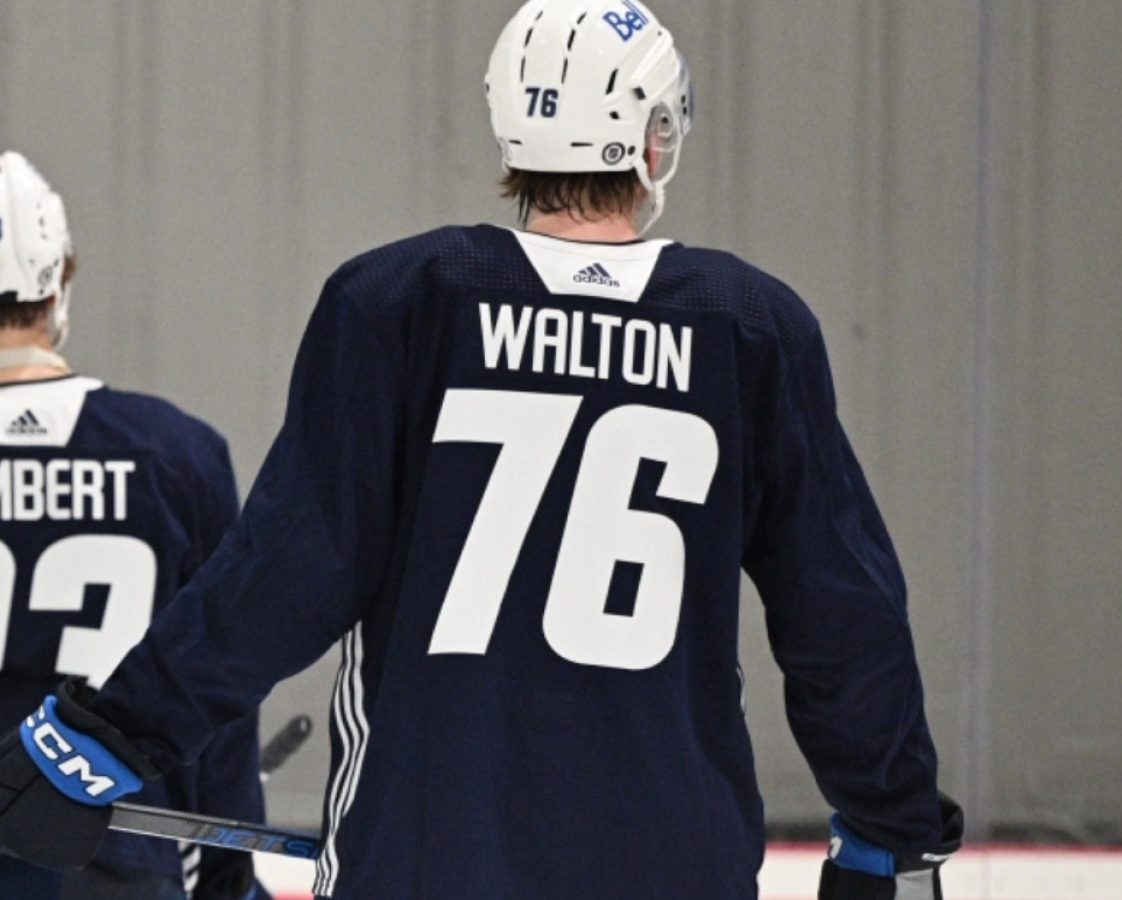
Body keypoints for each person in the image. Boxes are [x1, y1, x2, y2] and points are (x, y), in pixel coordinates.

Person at [0, 2, 962, 898]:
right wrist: (890, 833)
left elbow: (284, 575)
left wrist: (99, 739)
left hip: (427, 851)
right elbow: (845, 614)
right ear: (655, 136)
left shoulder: (400, 301)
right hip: (675, 858)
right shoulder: (749, 325)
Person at [0, 151, 269, 899]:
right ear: (58, 286)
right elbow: (221, 681)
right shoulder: (176, 452)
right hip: (120, 847)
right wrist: (228, 871)